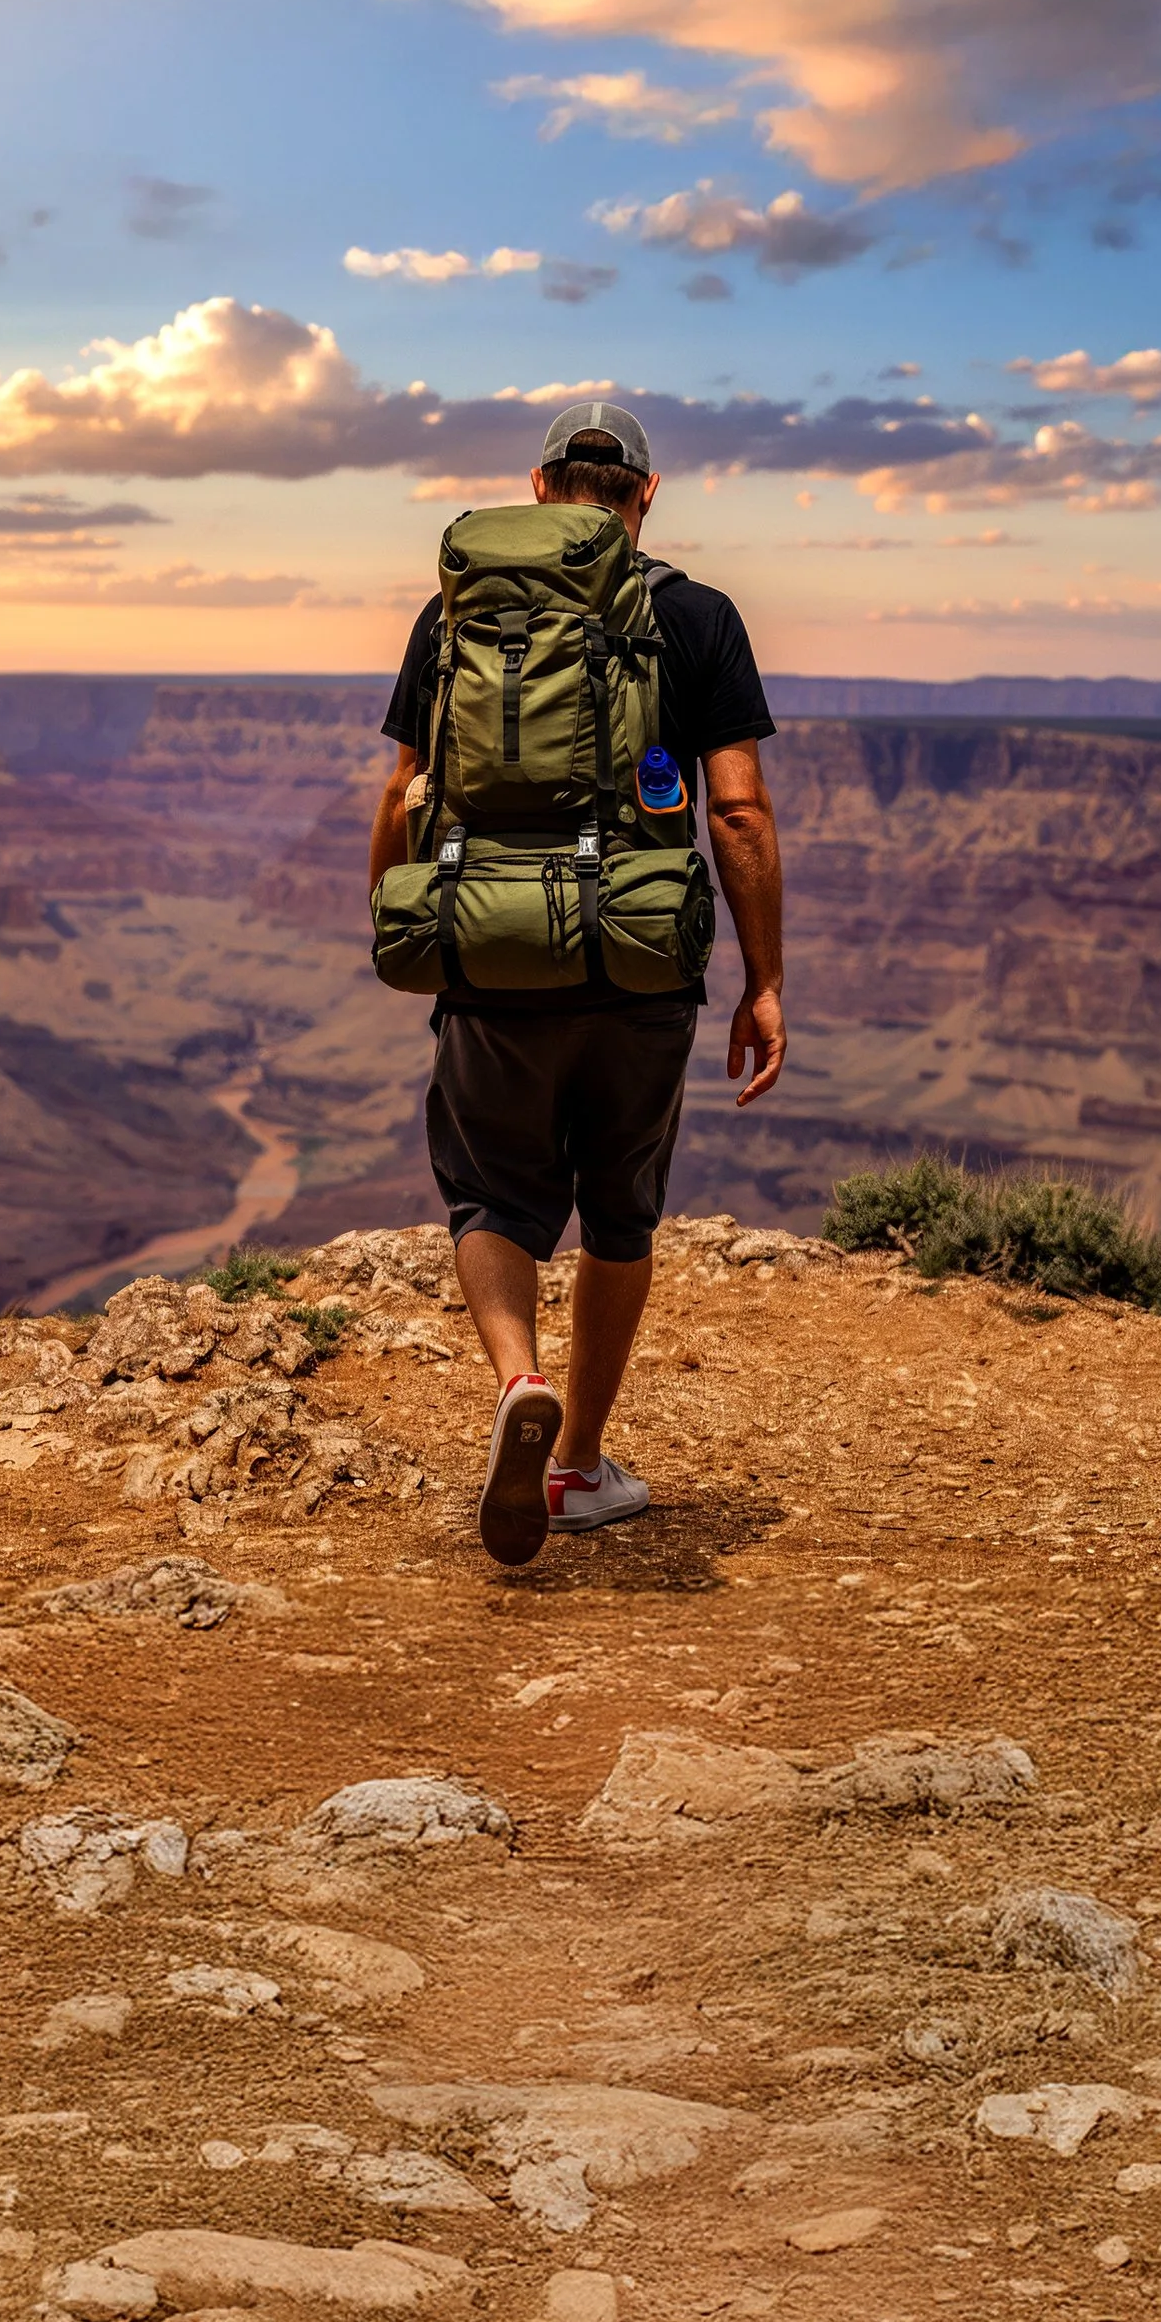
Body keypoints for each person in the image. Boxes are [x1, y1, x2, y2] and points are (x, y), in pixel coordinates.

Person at [369, 401, 786, 1565]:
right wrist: (765, 980)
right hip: (640, 963)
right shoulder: (696, 616)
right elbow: (740, 808)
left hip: (491, 950)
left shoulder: (451, 613)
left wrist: (407, 928)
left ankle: (518, 1378)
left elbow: (402, 792)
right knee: (620, 1209)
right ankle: (577, 1463)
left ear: (542, 486)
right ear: (645, 496)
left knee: (491, 1197)